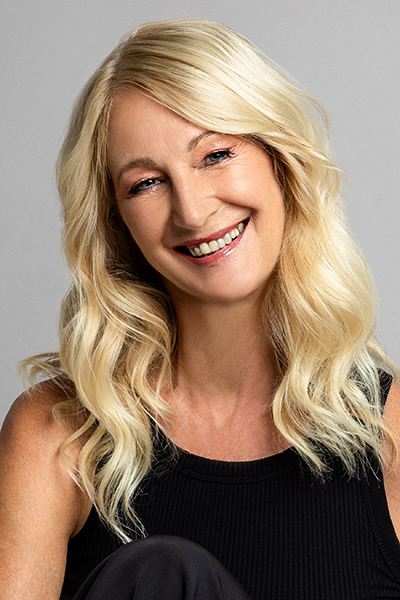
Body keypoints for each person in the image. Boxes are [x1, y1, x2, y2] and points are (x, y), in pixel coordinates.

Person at [0, 18, 399, 600]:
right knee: (166, 572)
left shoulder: (391, 431)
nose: (191, 210)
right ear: (117, 221)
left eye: (215, 155)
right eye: (146, 184)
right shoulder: (57, 438)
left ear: (280, 161)